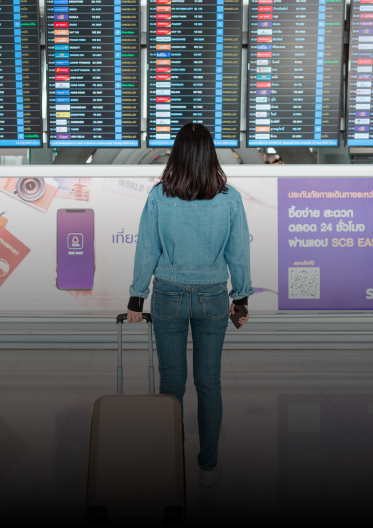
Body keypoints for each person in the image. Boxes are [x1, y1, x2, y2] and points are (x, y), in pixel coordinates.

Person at [126, 122, 252, 488]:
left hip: (168, 294)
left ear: (177, 154)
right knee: (209, 383)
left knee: (172, 382)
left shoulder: (158, 196)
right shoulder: (230, 197)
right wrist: (240, 299)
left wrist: (137, 297)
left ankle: (169, 463)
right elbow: (239, 253)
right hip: (213, 295)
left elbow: (147, 249)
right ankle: (208, 467)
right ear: (210, 154)